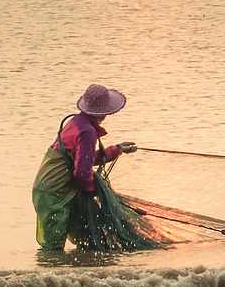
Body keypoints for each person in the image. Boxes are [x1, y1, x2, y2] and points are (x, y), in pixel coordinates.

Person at [31, 83, 159, 251]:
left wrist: (117, 149)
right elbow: (82, 173)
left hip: (53, 189)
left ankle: (80, 274)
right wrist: (95, 192)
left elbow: (84, 160)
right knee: (52, 247)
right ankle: (46, 276)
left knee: (84, 237)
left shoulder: (76, 122)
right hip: (54, 194)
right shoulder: (87, 132)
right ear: (105, 113)